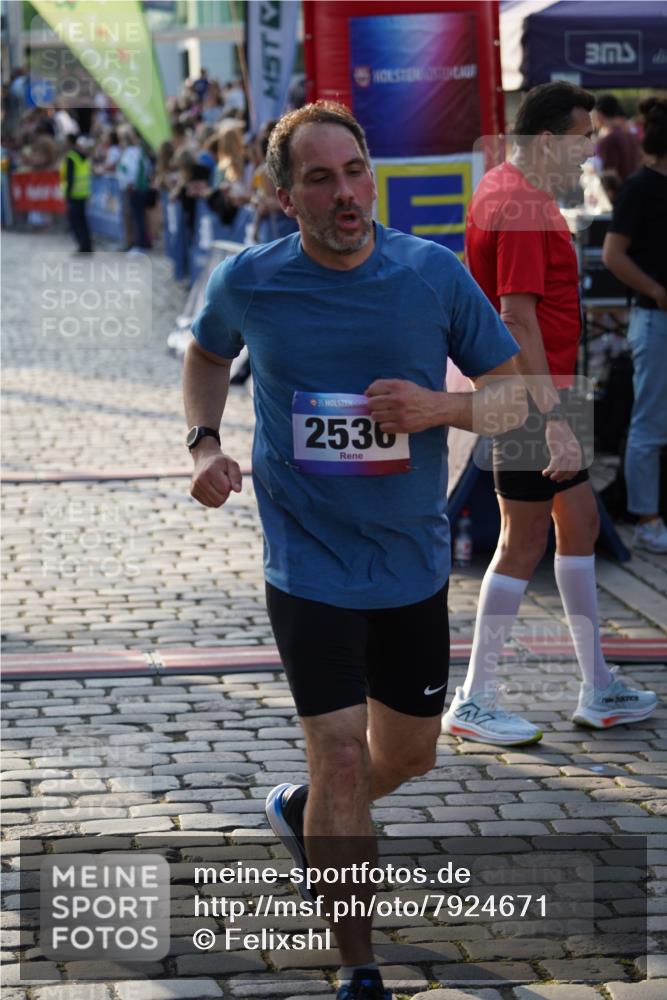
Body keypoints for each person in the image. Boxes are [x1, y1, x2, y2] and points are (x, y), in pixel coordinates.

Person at [183, 100, 527, 1000]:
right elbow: (206, 355)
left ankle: (303, 816)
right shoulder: (250, 281)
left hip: (409, 561)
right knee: (337, 753)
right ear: (283, 194)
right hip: (306, 557)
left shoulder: (431, 275)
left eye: (355, 172)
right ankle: (357, 964)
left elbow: (517, 396)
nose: (345, 194)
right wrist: (206, 445)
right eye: (320, 178)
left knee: (406, 756)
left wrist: (438, 409)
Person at [442, 82, 658, 746]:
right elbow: (515, 315)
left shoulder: (508, 192)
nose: (588, 150)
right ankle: (475, 698)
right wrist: (553, 419)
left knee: (577, 525)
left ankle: (596, 685)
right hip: (533, 394)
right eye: (580, 137)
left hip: (539, 390)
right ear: (545, 141)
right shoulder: (521, 203)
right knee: (524, 539)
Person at [603, 97, 667, 553]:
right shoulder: (641, 188)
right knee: (650, 421)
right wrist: (657, 291)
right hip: (655, 320)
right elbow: (612, 255)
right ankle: (646, 517)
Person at [594, 94, 642, 184]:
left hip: (619, 192)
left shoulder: (609, 139)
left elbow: (610, 174)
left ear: (599, 114)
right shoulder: (630, 135)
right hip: (632, 188)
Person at [60, 133, 93, 253]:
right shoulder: (83, 156)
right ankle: (86, 245)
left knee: (76, 222)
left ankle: (83, 246)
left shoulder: (71, 157)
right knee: (82, 221)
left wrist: (67, 195)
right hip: (83, 193)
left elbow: (69, 177)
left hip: (74, 194)